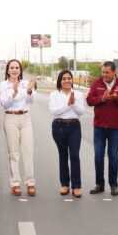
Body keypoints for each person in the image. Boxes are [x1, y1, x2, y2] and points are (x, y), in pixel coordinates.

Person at [86, 61, 118, 196]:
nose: (104, 75)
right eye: (103, 72)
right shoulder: (96, 83)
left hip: (116, 127)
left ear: (114, 72)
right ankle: (99, 184)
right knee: (98, 156)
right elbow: (89, 100)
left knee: (113, 156)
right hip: (99, 127)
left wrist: (117, 98)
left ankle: (114, 185)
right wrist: (103, 98)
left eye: (107, 72)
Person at [0, 59, 37, 196]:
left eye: (17, 68)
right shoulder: (3, 85)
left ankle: (30, 182)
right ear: (8, 70)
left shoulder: (26, 83)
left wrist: (30, 91)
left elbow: (31, 101)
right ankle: (15, 183)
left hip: (25, 118)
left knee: (28, 150)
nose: (14, 70)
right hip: (10, 118)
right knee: (14, 152)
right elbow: (4, 104)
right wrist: (14, 93)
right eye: (12, 67)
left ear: (20, 70)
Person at [48, 70, 86, 198]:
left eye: (69, 78)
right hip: (59, 126)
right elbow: (54, 111)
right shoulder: (54, 94)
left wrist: (73, 103)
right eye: (64, 79)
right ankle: (65, 184)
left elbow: (81, 112)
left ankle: (76, 186)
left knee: (74, 155)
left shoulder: (79, 94)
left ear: (72, 80)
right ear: (60, 81)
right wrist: (67, 104)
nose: (66, 81)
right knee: (63, 155)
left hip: (74, 125)